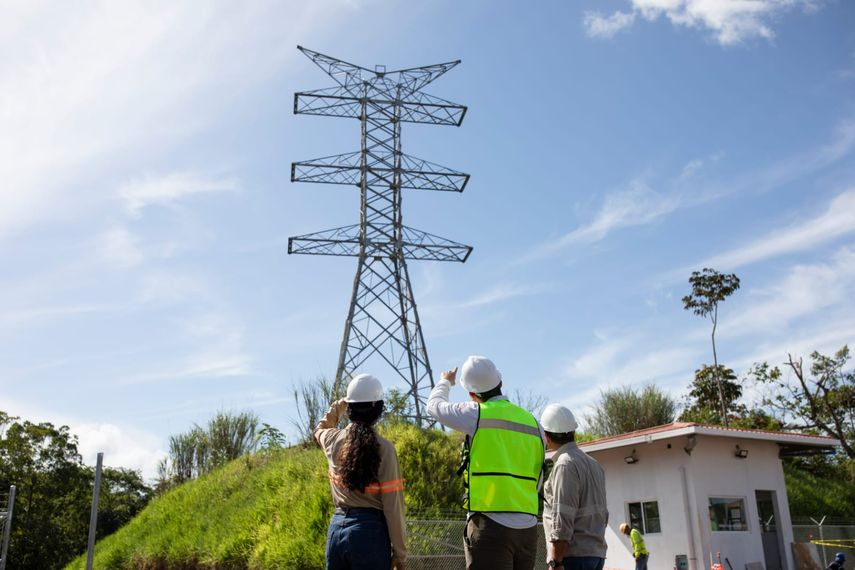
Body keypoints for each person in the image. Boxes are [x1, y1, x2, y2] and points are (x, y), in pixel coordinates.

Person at [427, 355, 546, 570]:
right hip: (528, 527)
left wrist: (445, 381)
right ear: (500, 382)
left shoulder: (475, 415)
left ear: (472, 394)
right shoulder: (534, 423)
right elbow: (539, 473)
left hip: (490, 524)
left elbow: (434, 406)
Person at [314, 374, 406, 570]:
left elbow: (319, 430)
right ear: (378, 409)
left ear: (350, 408)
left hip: (336, 530)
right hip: (369, 534)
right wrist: (400, 553)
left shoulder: (332, 439)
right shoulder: (384, 449)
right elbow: (393, 506)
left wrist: (339, 405)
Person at [540, 404, 608, 570]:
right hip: (595, 554)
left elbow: (563, 516)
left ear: (547, 436)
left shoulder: (565, 465)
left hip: (572, 557)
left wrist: (556, 561)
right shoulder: (594, 464)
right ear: (573, 432)